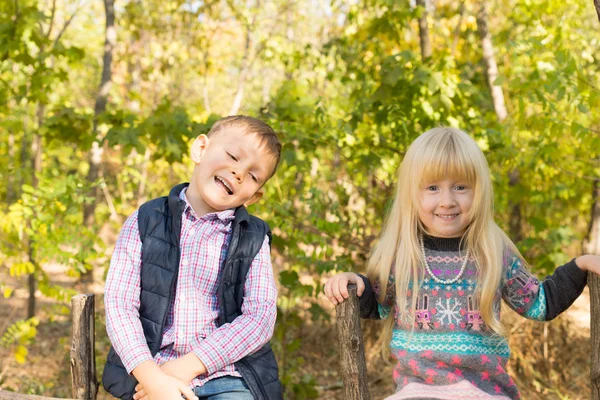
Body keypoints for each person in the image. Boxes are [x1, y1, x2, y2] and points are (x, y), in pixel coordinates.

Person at [323, 127, 600, 400]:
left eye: (460, 187)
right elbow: (377, 302)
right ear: (411, 194)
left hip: (485, 392)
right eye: (433, 188)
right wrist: (353, 282)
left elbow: (541, 303)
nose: (447, 201)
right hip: (418, 391)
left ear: (478, 191)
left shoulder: (493, 252)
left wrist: (580, 265)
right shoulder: (402, 255)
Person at [102, 115, 283, 400]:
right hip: (152, 373)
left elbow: (259, 318)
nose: (238, 173)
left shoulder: (253, 237)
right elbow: (120, 305)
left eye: (252, 175)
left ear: (254, 196)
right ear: (200, 149)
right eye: (234, 156)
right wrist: (152, 376)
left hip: (228, 375)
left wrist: (189, 366)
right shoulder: (146, 220)